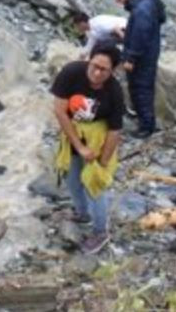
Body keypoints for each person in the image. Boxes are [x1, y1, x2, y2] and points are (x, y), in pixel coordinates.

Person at [50, 44, 125, 255]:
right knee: (72, 178)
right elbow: (60, 110)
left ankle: (101, 232)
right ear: (88, 60)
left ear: (113, 71)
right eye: (95, 66)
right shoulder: (71, 73)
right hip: (74, 133)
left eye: (104, 70)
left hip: (98, 137)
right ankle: (82, 213)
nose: (97, 73)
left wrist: (102, 163)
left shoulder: (114, 91)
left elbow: (115, 131)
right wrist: (79, 146)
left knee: (94, 185)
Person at [117, 0, 165, 139]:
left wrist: (130, 57)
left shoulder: (144, 8)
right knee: (144, 88)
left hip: (142, 57)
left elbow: (140, 34)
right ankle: (146, 122)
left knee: (140, 89)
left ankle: (146, 127)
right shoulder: (151, 0)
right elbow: (158, 15)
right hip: (149, 53)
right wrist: (128, 3)